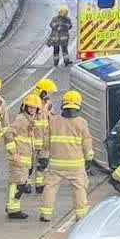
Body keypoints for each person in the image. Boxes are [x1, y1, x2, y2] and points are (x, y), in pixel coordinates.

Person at [40, 90, 96, 223]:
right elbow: (87, 143)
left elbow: (46, 141)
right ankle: (81, 215)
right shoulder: (82, 122)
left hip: (56, 163)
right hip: (76, 164)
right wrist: (89, 159)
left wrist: (44, 156)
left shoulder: (54, 121)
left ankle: (45, 214)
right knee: (79, 188)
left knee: (50, 187)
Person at [3, 92, 47, 220]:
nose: (32, 109)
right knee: (18, 183)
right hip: (19, 158)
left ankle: (12, 207)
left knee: (20, 182)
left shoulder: (31, 120)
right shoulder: (21, 119)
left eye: (34, 108)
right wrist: (14, 153)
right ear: (25, 107)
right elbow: (8, 134)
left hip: (25, 158)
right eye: (30, 107)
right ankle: (13, 210)